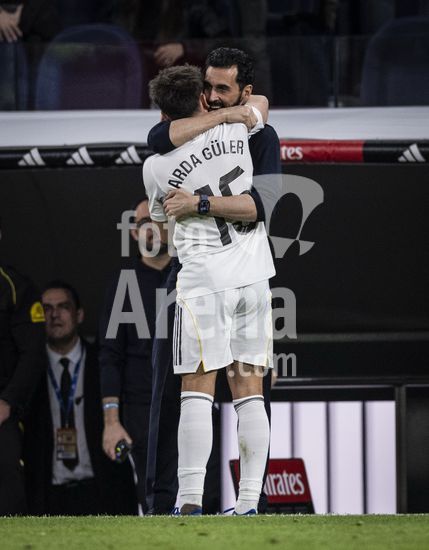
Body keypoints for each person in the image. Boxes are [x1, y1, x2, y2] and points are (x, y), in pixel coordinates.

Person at [146, 47, 281, 515]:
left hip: (204, 280)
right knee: (249, 391)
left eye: (224, 89)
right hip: (255, 275)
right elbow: (258, 108)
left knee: (196, 391)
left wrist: (197, 204)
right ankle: (248, 504)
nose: (216, 96)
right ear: (201, 97)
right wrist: (233, 115)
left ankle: (188, 501)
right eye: (210, 88)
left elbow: (164, 221)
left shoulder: (156, 164)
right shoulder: (240, 129)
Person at [24, 280, 135, 515]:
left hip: (103, 490)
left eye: (63, 307)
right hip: (47, 496)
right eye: (46, 309)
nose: (54, 315)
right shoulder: (27, 371)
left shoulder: (104, 364)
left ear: (79, 314)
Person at [98, 197, 171, 514]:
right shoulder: (122, 282)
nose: (152, 228)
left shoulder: (191, 274)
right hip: (142, 410)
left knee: (200, 499)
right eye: (144, 223)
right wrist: (112, 422)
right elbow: (109, 356)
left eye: (159, 220)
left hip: (192, 401)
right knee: (153, 501)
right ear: (133, 232)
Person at [0, 217, 46, 515]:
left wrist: (7, 402)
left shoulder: (14, 286)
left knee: (9, 486)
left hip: (2, 411)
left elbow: (32, 353)